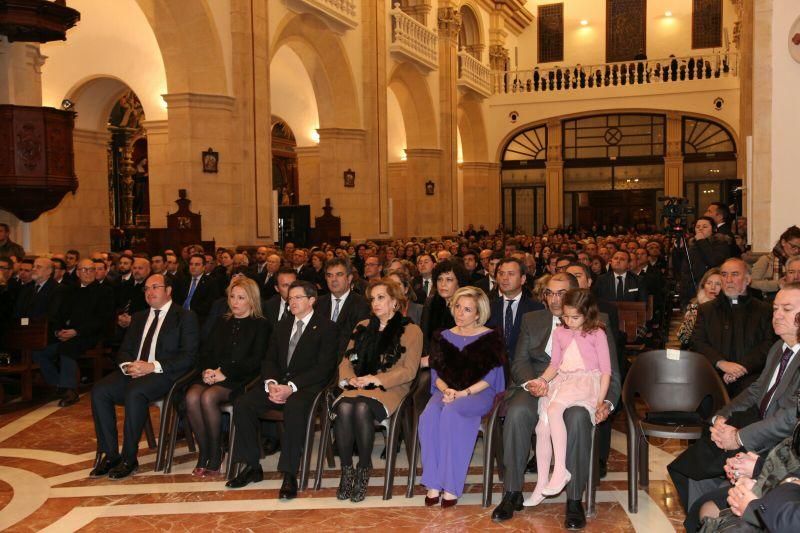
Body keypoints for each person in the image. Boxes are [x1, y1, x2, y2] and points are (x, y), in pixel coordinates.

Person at [492, 273, 620, 528]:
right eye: (549, 293)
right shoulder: (532, 319)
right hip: (537, 385)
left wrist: (607, 402)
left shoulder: (597, 322)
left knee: (577, 416)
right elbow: (519, 362)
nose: (554, 299)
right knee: (517, 412)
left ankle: (574, 500)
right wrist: (534, 384)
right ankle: (512, 492)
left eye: (561, 293)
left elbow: (611, 370)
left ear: (575, 294)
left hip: (580, 387)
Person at [669, 282, 800, 522]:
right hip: (757, 424)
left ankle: (715, 518)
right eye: (775, 308)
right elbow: (757, 390)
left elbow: (789, 419)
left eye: (787, 309)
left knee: (703, 472)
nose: (777, 315)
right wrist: (722, 416)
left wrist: (739, 437)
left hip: (781, 445)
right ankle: (709, 521)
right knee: (689, 466)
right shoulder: (779, 347)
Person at [225, 281, 338, 498]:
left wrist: (292, 387)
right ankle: (251, 466)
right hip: (278, 384)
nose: (292, 302)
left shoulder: (327, 327)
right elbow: (269, 359)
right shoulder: (282, 325)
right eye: (290, 298)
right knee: (243, 403)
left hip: (306, 387)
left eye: (298, 298)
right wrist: (270, 383)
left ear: (312, 300)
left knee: (294, 408)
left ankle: (289, 473)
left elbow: (324, 368)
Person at [90, 273, 199, 479]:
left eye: (155, 287)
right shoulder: (139, 317)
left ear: (168, 291)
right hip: (134, 371)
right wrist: (128, 366)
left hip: (164, 374)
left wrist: (152, 366)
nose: (149, 292)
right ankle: (111, 454)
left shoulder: (184, 317)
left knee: (135, 392)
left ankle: (129, 458)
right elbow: (124, 350)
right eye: (147, 289)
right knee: (100, 390)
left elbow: (189, 356)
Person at [333, 278, 422, 502]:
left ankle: (363, 470)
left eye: (381, 298)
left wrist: (377, 378)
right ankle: (346, 471)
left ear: (395, 301)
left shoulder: (412, 331)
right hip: (359, 385)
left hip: (389, 388)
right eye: (373, 299)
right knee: (344, 407)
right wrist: (349, 379)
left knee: (362, 408)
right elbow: (346, 360)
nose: (375, 303)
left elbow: (409, 371)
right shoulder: (362, 326)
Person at [524, 289, 612, 507]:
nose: (569, 322)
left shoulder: (597, 333)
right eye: (566, 316)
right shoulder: (559, 332)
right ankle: (541, 484)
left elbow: (606, 371)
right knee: (541, 428)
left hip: (585, 382)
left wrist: (600, 401)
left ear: (588, 313)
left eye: (575, 317)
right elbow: (554, 365)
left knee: (554, 410)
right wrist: (543, 381)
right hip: (562, 381)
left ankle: (561, 469)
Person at [419, 286, 505, 507]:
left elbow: (491, 379)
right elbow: (436, 373)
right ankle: (433, 482)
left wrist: (462, 393)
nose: (460, 313)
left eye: (467, 309)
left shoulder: (490, 338)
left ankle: (451, 484)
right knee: (428, 415)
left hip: (478, 392)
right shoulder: (443, 336)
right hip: (446, 389)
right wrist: (447, 389)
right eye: (457, 306)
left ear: (478, 314)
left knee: (452, 412)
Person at [185, 277, 271, 477]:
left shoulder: (261, 325)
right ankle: (204, 451)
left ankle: (216, 453)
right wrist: (207, 370)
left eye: (241, 298)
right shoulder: (222, 321)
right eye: (232, 297)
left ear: (252, 300)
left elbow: (256, 361)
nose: (235, 302)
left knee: (208, 397)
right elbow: (207, 352)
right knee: (191, 396)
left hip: (242, 378)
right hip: (215, 374)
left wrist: (224, 373)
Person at [33, 259, 114, 406]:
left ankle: (71, 390)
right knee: (39, 352)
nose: (88, 273)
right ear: (77, 272)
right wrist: (58, 331)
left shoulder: (105, 292)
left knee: (67, 347)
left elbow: (102, 320)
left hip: (90, 335)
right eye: (84, 270)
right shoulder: (68, 290)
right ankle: (58, 385)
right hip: (66, 334)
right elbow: (58, 315)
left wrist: (76, 331)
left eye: (91, 270)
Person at [690, 258, 774, 395]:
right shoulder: (706, 310)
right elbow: (698, 341)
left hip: (752, 375)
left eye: (735, 274)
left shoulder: (764, 310)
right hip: (715, 374)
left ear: (747, 280)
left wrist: (743, 367)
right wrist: (722, 363)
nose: (728, 279)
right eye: (724, 274)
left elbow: (769, 344)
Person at [486, 258, 543, 362]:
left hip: (525, 368)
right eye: (501, 274)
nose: (504, 278)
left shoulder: (536, 308)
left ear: (523, 279)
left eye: (511, 274)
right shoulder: (488, 307)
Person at [315, 258, 370, 356]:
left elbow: (360, 343)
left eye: (339, 274)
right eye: (329, 275)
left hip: (345, 361)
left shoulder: (362, 305)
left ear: (349, 278)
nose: (334, 279)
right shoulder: (317, 303)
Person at [681, 217, 734, 307]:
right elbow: (684, 269)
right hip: (693, 289)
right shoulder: (692, 245)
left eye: (705, 226)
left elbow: (713, 261)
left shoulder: (721, 243)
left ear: (713, 229)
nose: (700, 229)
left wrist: (701, 241)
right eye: (698, 227)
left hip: (713, 289)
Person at [677, 268, 722, 348]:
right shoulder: (694, 306)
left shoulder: (727, 308)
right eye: (709, 283)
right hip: (697, 354)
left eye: (718, 284)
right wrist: (692, 321)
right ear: (703, 285)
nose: (713, 287)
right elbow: (683, 338)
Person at [751, 225, 800, 297]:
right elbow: (751, 282)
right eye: (793, 246)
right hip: (767, 302)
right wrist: (777, 284)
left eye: (799, 248)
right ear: (783, 242)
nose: (796, 250)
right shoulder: (766, 260)